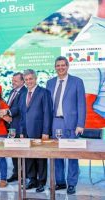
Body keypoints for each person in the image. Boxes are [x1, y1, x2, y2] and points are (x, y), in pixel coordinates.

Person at [46, 56, 86, 195]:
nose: (61, 67)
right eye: (58, 65)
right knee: (56, 154)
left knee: (72, 154)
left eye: (63, 65)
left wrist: (80, 124)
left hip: (72, 123)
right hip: (55, 122)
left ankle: (72, 183)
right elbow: (47, 105)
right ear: (55, 67)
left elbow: (81, 104)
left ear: (67, 66)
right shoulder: (50, 83)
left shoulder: (77, 82)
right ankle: (60, 182)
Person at [19, 69, 52, 193]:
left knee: (40, 157)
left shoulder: (44, 92)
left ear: (35, 78)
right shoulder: (23, 95)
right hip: (26, 132)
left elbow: (47, 113)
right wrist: (22, 131)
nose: (29, 82)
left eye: (31, 79)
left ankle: (41, 182)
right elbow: (23, 115)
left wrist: (46, 132)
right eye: (26, 80)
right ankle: (32, 180)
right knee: (28, 157)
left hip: (39, 131)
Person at [6, 72, 27, 183]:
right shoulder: (12, 92)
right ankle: (16, 173)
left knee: (22, 153)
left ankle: (24, 175)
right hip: (11, 127)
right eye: (12, 80)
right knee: (13, 152)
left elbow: (18, 109)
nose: (13, 82)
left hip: (20, 127)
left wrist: (7, 112)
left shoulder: (25, 92)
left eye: (15, 81)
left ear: (22, 82)